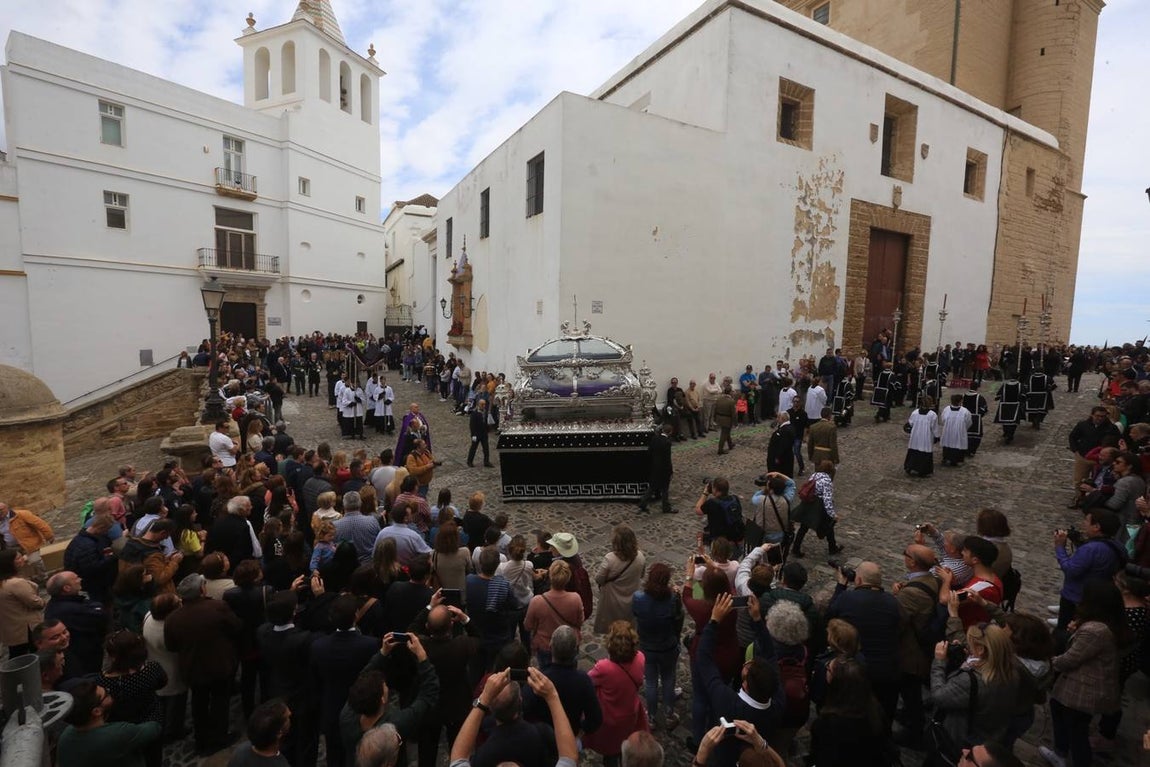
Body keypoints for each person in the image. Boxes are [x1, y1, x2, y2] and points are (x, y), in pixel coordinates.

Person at [164, 573, 243, 755]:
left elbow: (172, 646)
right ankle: (220, 736)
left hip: (192, 668)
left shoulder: (172, 618)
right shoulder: (217, 607)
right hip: (219, 665)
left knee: (198, 703)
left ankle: (201, 740)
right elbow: (236, 626)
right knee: (220, 702)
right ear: (201, 590)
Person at [926, 620, 1018, 763]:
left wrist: (939, 662)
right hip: (988, 734)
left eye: (971, 644)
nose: (968, 647)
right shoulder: (1010, 672)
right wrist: (966, 659)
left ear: (981, 650)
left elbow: (939, 696)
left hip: (959, 740)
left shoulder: (972, 681)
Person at [448, 667, 578, 767]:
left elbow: (458, 758)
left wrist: (484, 698)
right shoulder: (541, 733)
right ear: (520, 700)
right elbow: (569, 757)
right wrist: (552, 695)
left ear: (491, 709)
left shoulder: (483, 754)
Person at [827, 562, 901, 724]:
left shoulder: (848, 598)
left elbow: (830, 614)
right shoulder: (892, 602)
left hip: (856, 668)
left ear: (858, 580)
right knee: (884, 716)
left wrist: (841, 586)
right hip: (887, 670)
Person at [582, 621, 649, 767]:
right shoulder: (640, 658)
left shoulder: (604, 667)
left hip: (610, 717)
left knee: (610, 751)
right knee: (624, 746)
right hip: (630, 713)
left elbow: (587, 681)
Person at [57, 680, 162, 767]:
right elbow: (154, 728)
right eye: (106, 694)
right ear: (97, 711)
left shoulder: (65, 736)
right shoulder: (119, 733)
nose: (109, 692)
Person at [1052, 509, 1127, 630]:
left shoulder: (1091, 549)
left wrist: (1060, 547)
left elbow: (1070, 570)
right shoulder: (1116, 545)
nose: (1084, 523)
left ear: (1096, 527)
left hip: (1076, 595)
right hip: (1095, 595)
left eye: (1087, 521)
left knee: (1063, 630)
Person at [808, 658, 889, 767]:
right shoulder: (875, 710)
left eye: (828, 669)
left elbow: (824, 758)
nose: (825, 669)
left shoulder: (827, 724)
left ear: (837, 681)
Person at [631, 563, 683, 730]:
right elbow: (678, 618)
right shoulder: (672, 599)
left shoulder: (638, 598)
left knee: (651, 682)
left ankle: (651, 718)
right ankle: (669, 714)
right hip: (667, 646)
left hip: (647, 646)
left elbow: (635, 614)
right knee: (668, 678)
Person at [45, 570, 108, 676]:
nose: (80, 579)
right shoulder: (70, 609)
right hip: (84, 657)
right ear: (67, 588)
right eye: (76, 578)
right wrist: (97, 606)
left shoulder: (57, 603)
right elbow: (100, 615)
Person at [525, 559, 585, 668]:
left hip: (545, 645)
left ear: (550, 577)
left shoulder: (537, 601)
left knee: (547, 672)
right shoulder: (576, 598)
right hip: (569, 644)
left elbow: (528, 626)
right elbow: (580, 621)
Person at [593, 525, 646, 634]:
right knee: (628, 627)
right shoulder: (640, 557)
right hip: (631, 597)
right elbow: (641, 575)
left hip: (612, 600)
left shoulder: (610, 559)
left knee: (612, 627)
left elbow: (599, 579)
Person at [1068, 406, 1123, 507]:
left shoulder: (1111, 428)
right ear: (1092, 415)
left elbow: (1117, 441)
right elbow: (1073, 437)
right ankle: (1079, 498)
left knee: (1098, 479)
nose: (1100, 418)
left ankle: (1092, 499)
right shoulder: (1083, 425)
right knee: (1079, 479)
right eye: (1098, 416)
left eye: (1103, 416)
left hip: (1100, 460)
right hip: (1083, 456)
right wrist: (1075, 450)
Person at [791, 460, 842, 558]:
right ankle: (832, 547)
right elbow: (827, 499)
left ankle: (795, 548)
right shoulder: (827, 481)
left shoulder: (814, 475)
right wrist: (833, 514)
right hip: (818, 506)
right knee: (828, 525)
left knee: (803, 527)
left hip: (808, 503)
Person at [0, 548, 45, 656]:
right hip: (26, 628)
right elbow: (35, 603)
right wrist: (43, 601)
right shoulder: (16, 583)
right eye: (18, 558)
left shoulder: (3, 582)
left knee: (17, 654)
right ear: (10, 563)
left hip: (11, 628)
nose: (23, 559)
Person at [228, 700, 293, 767]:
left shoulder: (240, 752)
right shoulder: (282, 764)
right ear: (279, 733)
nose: (290, 712)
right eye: (287, 718)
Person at [637, 423, 675, 514]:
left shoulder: (655, 438)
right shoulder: (667, 442)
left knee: (652, 487)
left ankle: (643, 503)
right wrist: (670, 471)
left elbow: (649, 452)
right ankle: (666, 507)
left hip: (655, 467)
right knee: (665, 489)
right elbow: (667, 459)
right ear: (670, 432)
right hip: (664, 469)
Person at [905, 397, 939, 477]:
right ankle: (923, 471)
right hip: (926, 437)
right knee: (924, 451)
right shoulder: (932, 415)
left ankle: (911, 466)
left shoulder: (915, 412)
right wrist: (937, 436)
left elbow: (910, 423)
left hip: (916, 436)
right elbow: (934, 428)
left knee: (914, 450)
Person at [940, 394, 973, 467]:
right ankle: (957, 460)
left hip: (948, 431)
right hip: (959, 432)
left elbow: (943, 419)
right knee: (958, 443)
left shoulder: (946, 409)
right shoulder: (965, 411)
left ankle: (948, 458)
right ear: (961, 401)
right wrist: (963, 429)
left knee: (948, 443)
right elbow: (969, 422)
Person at [467, 398, 494, 467]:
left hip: (484, 433)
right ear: (479, 405)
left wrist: (488, 428)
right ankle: (469, 461)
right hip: (477, 433)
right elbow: (472, 425)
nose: (483, 406)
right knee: (473, 448)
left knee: (486, 448)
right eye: (482, 404)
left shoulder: (485, 412)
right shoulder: (475, 413)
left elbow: (486, 422)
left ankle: (486, 461)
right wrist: (473, 435)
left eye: (484, 404)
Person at [714, 385, 737, 454]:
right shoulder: (731, 401)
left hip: (719, 418)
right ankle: (720, 449)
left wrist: (715, 418)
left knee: (726, 432)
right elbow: (733, 414)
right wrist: (735, 423)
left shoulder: (719, 399)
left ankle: (730, 444)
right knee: (724, 434)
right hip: (727, 419)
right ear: (730, 392)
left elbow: (715, 409)